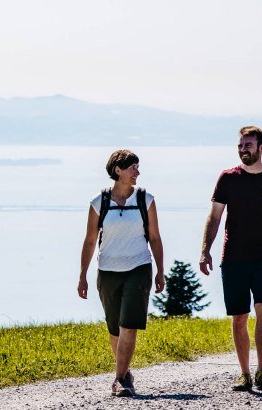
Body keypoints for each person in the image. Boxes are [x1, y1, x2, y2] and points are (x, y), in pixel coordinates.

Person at [198, 126, 262, 392]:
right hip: (234, 258)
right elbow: (214, 217)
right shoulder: (228, 178)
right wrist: (205, 250)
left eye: (248, 145)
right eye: (240, 145)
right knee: (239, 316)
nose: (243, 150)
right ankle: (244, 373)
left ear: (261, 148)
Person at [78, 149, 166, 397]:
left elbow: (156, 238)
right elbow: (89, 241)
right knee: (115, 328)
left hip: (138, 267)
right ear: (118, 170)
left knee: (129, 325)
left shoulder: (145, 200)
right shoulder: (99, 202)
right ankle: (125, 372)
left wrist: (160, 271)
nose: (137, 172)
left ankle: (119, 380)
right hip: (107, 271)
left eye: (137, 167)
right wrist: (83, 275)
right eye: (133, 168)